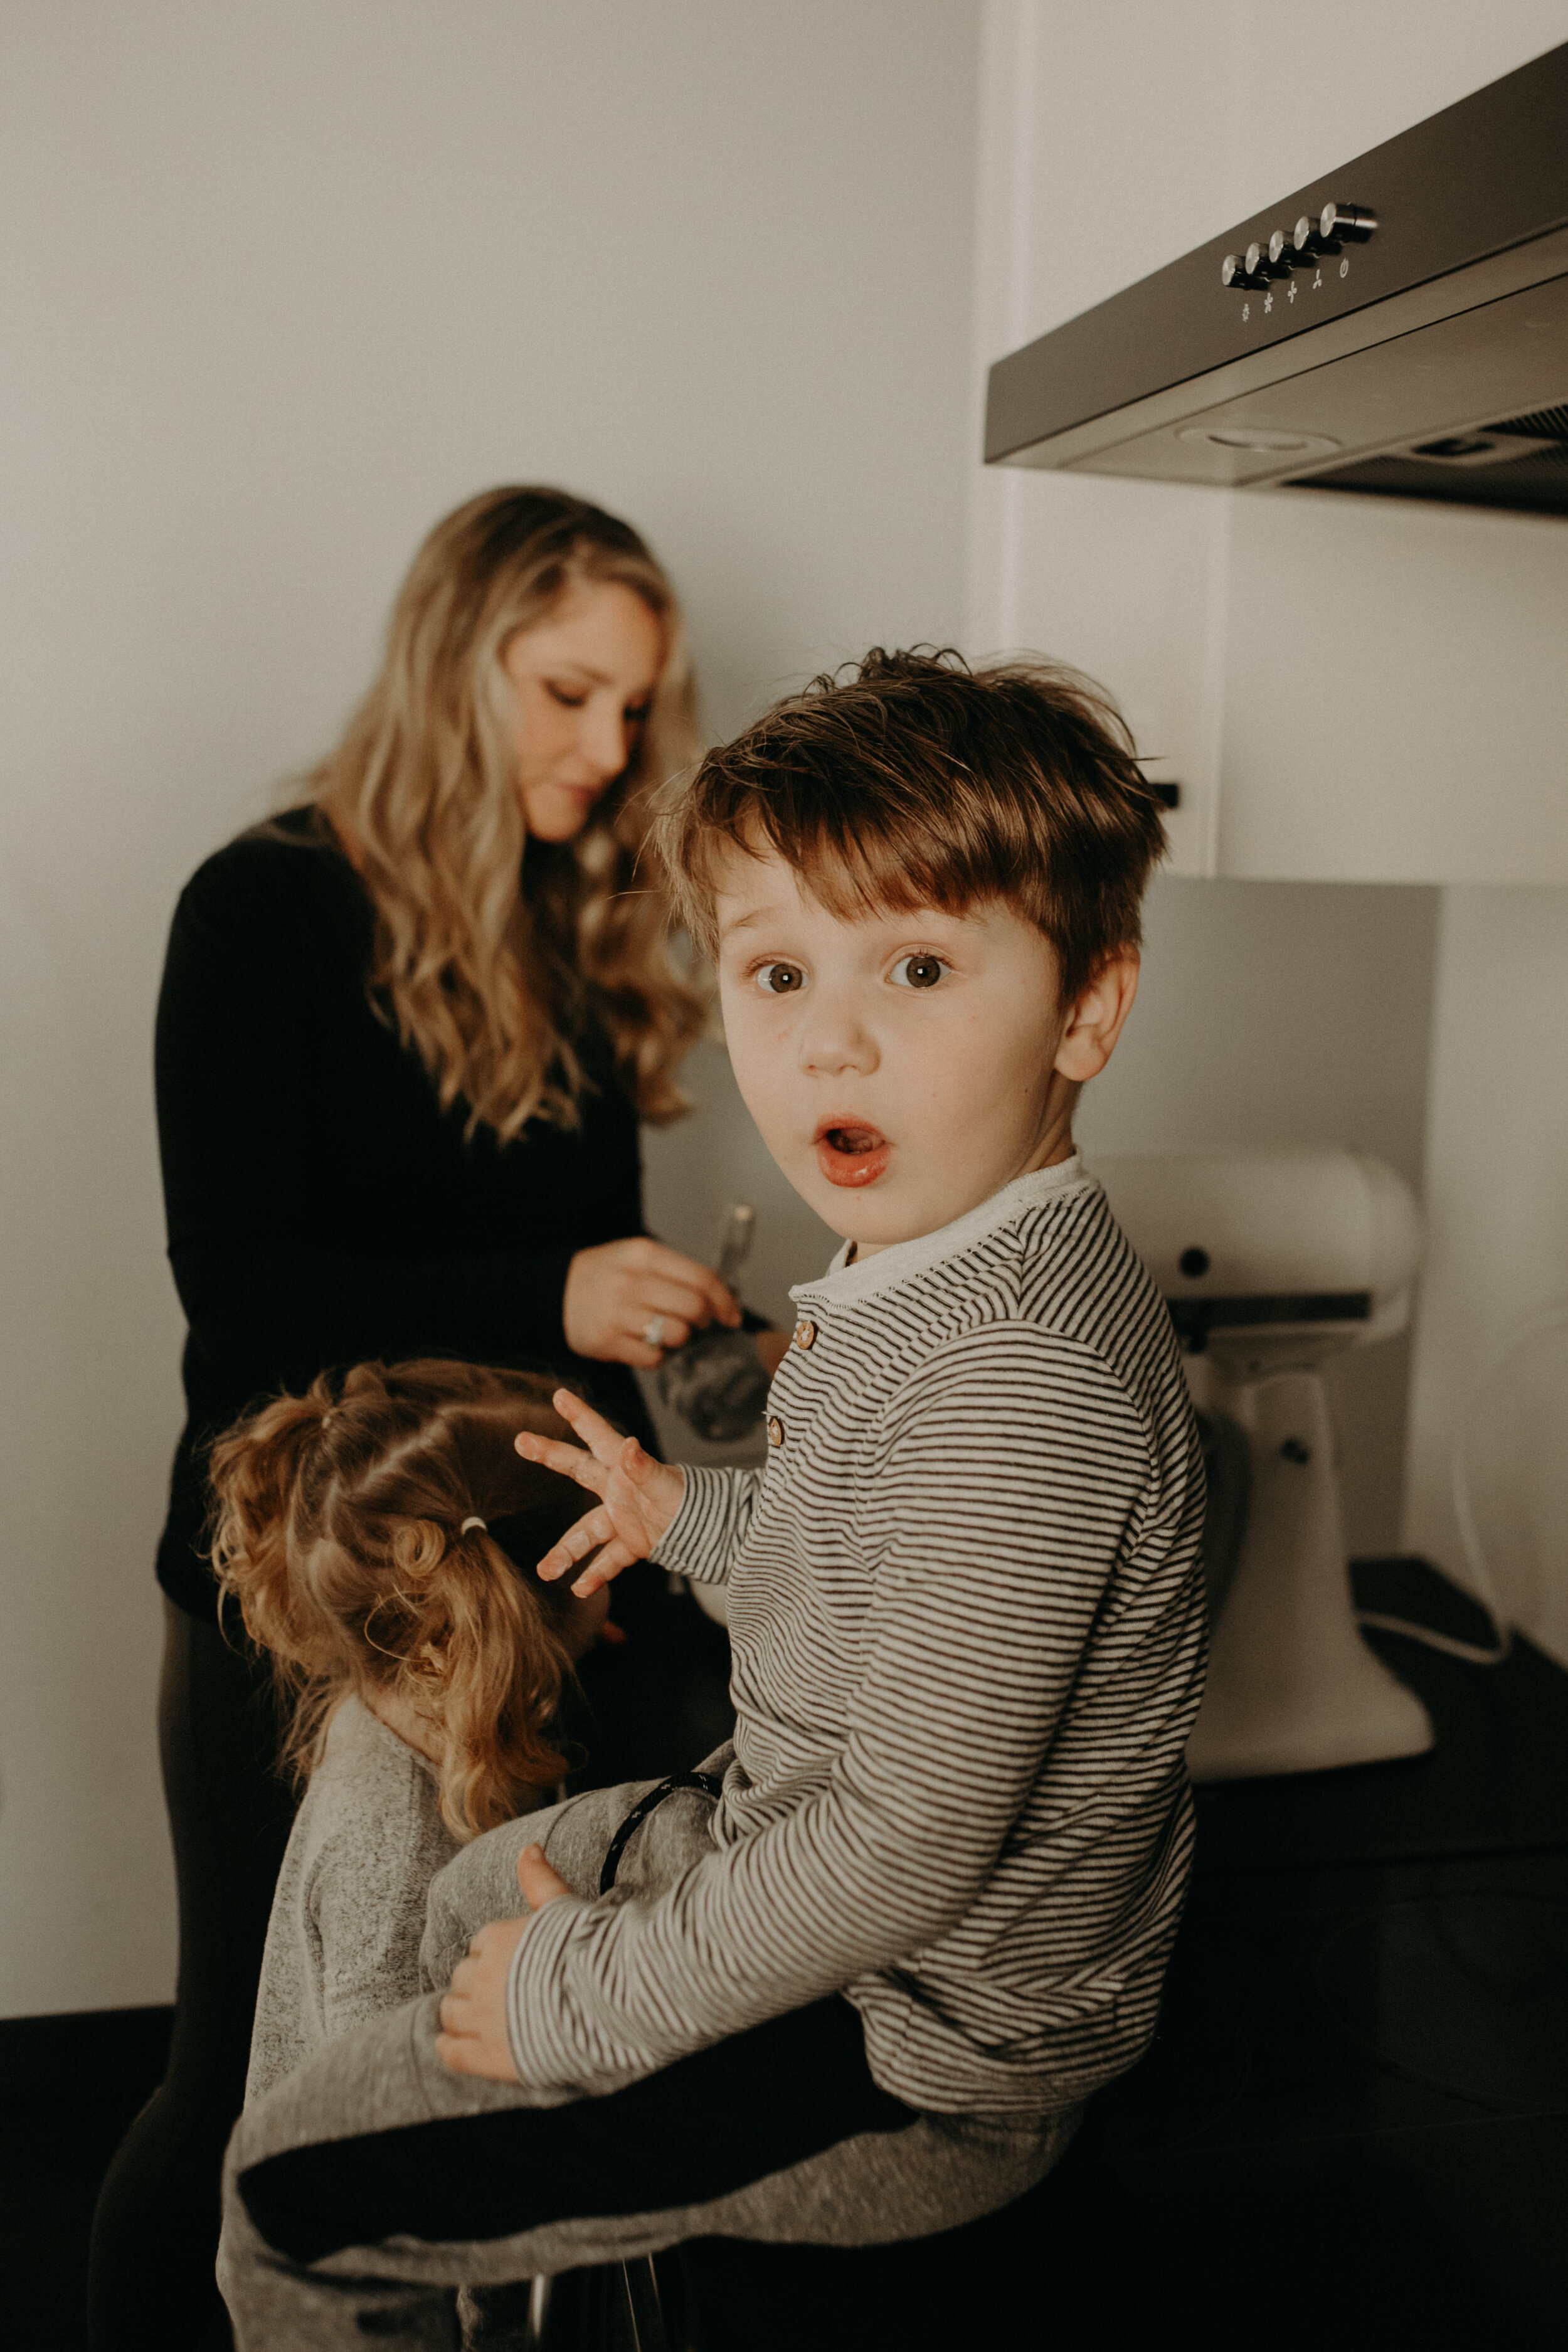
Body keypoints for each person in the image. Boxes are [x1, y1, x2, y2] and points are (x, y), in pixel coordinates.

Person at [214, 648, 1209, 2351]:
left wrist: (581, 2005)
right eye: (773, 970)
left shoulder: (1013, 1377)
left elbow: (900, 1845)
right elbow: (868, 1576)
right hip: (809, 1864)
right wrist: (694, 1522)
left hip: (908, 2053)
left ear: (1086, 1008)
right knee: (461, 1901)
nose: (830, 1038)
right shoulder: (933, 1262)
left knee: (281, 2199)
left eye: (914, 965)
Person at [90, 488, 773, 2352]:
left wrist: (672, 1411)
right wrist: (544, 1292)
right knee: (243, 2054)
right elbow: (243, 1302)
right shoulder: (257, 911)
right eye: (569, 693)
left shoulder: (563, 932)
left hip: (527, 1583)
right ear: (450, 660)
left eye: (636, 711)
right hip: (290, 1586)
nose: (610, 748)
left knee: (451, 2027)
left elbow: (565, 1317)